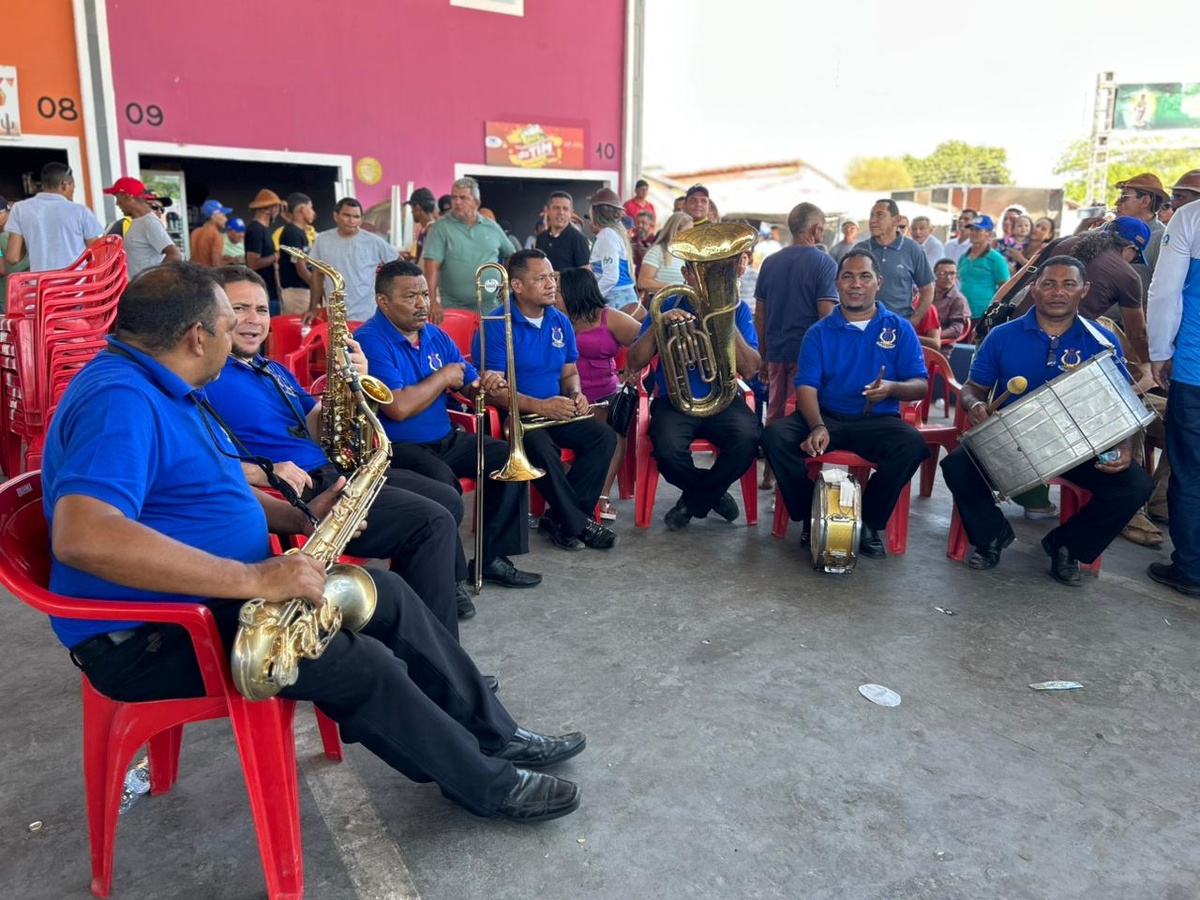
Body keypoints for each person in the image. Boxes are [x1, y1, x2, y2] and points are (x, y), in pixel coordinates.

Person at [40, 262, 585, 823]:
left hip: (206, 599)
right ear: (196, 336)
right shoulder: (119, 400)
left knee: (388, 592)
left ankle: (496, 733)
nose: (241, 336)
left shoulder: (169, 383)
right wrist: (255, 578)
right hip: (153, 637)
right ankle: (484, 783)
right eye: (231, 325)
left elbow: (203, 490)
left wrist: (301, 511)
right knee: (358, 661)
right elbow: (84, 535)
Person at [203, 265, 479, 624]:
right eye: (240, 309)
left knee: (444, 496)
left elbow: (319, 424)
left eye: (262, 309)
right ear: (216, 315)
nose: (254, 320)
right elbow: (193, 459)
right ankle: (434, 641)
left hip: (335, 469)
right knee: (433, 522)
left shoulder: (271, 369)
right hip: (300, 490)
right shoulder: (207, 375)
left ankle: (423, 606)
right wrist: (258, 471)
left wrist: (351, 380)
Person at [941, 256, 1153, 583]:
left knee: (1135, 484)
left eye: (1068, 284)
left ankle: (1067, 545)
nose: (1058, 292)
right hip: (1013, 445)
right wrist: (974, 405)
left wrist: (1123, 447)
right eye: (1048, 283)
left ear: (1084, 290)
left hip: (1084, 447)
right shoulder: (1002, 336)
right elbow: (972, 388)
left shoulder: (1101, 340)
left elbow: (1120, 402)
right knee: (957, 465)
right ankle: (991, 536)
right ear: (1034, 288)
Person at [353, 259, 541, 589]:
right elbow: (396, 407)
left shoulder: (435, 335)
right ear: (383, 302)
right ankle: (447, 580)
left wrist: (486, 383)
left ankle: (493, 557)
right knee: (442, 485)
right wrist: (443, 378)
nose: (423, 304)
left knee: (508, 456)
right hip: (396, 448)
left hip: (444, 437)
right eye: (411, 296)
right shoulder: (369, 340)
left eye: (425, 294)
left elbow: (468, 383)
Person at [761, 250, 929, 559]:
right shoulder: (819, 332)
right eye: (848, 277)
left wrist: (892, 388)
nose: (856, 284)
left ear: (878, 282)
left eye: (865, 276)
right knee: (774, 437)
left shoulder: (899, 328)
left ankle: (867, 522)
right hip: (826, 416)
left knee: (912, 445)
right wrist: (817, 425)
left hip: (877, 420)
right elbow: (806, 386)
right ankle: (814, 514)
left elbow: (920, 383)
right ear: (837, 283)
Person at [472, 249, 619, 552]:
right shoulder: (497, 323)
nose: (551, 284)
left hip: (556, 408)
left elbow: (569, 373)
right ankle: (577, 525)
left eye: (552, 277)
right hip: (519, 415)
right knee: (541, 448)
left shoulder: (560, 320)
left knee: (603, 437)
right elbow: (495, 390)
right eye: (541, 279)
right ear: (517, 286)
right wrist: (540, 406)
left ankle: (560, 520)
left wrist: (576, 393)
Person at [625, 237, 763, 531]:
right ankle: (712, 495)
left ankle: (694, 501)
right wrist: (658, 326)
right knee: (666, 451)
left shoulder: (736, 310)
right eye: (700, 272)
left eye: (715, 272)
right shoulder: (664, 304)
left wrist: (725, 321)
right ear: (686, 274)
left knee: (748, 440)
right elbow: (634, 362)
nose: (708, 280)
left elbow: (751, 368)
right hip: (674, 402)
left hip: (724, 399)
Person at [754, 203, 839, 490]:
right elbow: (826, 316)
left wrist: (764, 354)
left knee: (776, 411)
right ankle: (795, 481)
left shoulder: (770, 262)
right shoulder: (824, 263)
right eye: (823, 225)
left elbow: (760, 314)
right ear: (815, 229)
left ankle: (769, 475)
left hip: (776, 350)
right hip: (809, 355)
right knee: (805, 415)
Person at [1147, 195, 1200, 596]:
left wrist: (1160, 353)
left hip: (1194, 371)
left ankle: (1191, 569)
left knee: (1191, 473)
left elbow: (1165, 293)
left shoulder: (1190, 217)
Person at [559, 266, 641, 522]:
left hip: (605, 393)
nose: (552, 293)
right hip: (564, 395)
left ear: (575, 292)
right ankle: (573, 491)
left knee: (612, 428)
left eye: (559, 290)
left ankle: (601, 494)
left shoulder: (610, 318)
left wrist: (634, 369)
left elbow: (648, 341)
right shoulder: (553, 317)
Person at [422, 176, 518, 321]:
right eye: (454, 198)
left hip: (491, 307)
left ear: (476, 202)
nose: (457, 202)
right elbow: (431, 267)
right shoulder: (440, 227)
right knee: (457, 344)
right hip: (454, 307)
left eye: (463, 198)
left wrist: (507, 284)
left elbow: (511, 255)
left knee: (490, 343)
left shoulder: (491, 226)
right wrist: (432, 300)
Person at [305, 197, 398, 324]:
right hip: (336, 317)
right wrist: (312, 308)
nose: (351, 221)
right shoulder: (322, 240)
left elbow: (399, 267)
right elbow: (317, 276)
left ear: (361, 219)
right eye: (347, 215)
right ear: (336, 216)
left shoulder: (374, 241)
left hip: (368, 316)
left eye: (356, 216)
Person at [3, 162, 102, 273]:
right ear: (65, 185)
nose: (73, 191)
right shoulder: (81, 211)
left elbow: (12, 257)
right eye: (73, 186)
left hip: (41, 286)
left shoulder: (20, 209)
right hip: (77, 286)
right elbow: (98, 254)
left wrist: (34, 241)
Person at [854, 199, 934, 323]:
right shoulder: (860, 249)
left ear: (896, 220)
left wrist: (912, 322)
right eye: (871, 216)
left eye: (880, 215)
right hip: (862, 324)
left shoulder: (912, 249)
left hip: (897, 326)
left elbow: (927, 289)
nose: (873, 220)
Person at [102, 177, 183, 278]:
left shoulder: (149, 222)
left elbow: (175, 255)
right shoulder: (137, 222)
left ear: (127, 196)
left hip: (147, 291)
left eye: (117, 198)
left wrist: (151, 282)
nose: (117, 203)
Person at [587, 188, 639, 314]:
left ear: (596, 211)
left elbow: (611, 277)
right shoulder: (612, 233)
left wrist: (590, 299)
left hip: (616, 299)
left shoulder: (607, 235)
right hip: (622, 297)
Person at [957, 215, 1010, 319]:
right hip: (962, 313)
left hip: (984, 314)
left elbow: (1005, 288)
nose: (973, 233)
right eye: (972, 229)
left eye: (978, 230)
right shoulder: (963, 258)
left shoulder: (996, 259)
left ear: (988, 233)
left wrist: (994, 313)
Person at [636, 212, 693, 297]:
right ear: (675, 231)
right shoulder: (657, 251)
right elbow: (643, 282)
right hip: (663, 304)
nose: (691, 235)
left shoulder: (689, 253)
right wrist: (675, 288)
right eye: (687, 231)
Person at [276, 192, 316, 315]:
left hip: (302, 291)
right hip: (296, 293)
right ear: (303, 210)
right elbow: (301, 268)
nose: (313, 212)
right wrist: (319, 287)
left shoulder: (299, 232)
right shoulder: (292, 233)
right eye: (311, 207)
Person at [245, 189, 284, 313]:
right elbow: (252, 263)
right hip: (263, 293)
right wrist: (276, 256)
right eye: (277, 208)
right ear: (272, 209)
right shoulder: (256, 230)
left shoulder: (262, 229)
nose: (278, 212)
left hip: (269, 291)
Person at [535, 190, 590, 272]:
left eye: (565, 209)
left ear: (571, 213)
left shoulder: (579, 239)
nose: (561, 213)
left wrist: (561, 276)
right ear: (547, 210)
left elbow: (586, 273)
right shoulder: (541, 238)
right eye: (556, 208)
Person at [931, 259, 971, 342]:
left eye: (952, 273)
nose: (948, 278)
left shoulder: (958, 300)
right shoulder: (927, 295)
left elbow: (956, 330)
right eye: (943, 273)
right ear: (935, 276)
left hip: (943, 345)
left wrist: (932, 336)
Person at [0, 197, 30, 302]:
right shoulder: (23, 230)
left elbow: (1, 270)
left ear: (8, 211)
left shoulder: (20, 232)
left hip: (12, 294)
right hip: (21, 291)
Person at [190, 199, 232, 267]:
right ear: (213, 216)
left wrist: (227, 260)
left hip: (195, 274)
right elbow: (216, 264)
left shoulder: (195, 232)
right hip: (209, 275)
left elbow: (196, 258)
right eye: (223, 215)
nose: (226, 219)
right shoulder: (216, 235)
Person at [404, 186, 439, 261]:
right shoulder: (424, 230)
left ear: (417, 207)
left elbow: (427, 262)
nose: (411, 212)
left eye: (412, 208)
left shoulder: (432, 230)